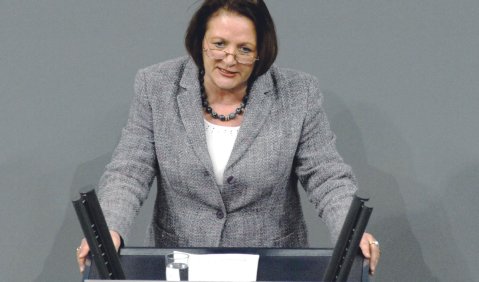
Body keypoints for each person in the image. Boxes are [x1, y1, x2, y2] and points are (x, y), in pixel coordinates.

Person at [77, 0, 380, 276]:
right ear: (200, 43)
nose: (230, 59)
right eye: (219, 44)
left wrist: (351, 232)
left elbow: (326, 176)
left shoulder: (297, 94)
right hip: (181, 263)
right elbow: (129, 171)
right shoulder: (156, 86)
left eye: (244, 49)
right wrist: (108, 231)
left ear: (261, 51)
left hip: (270, 265)